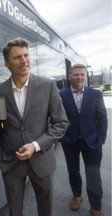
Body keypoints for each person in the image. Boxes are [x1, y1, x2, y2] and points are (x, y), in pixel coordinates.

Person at [0, 38, 69, 216]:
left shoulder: (47, 86)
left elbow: (61, 123)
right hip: (11, 162)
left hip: (42, 159)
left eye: (26, 55)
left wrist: (35, 145)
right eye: (17, 57)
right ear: (6, 63)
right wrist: (0, 155)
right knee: (14, 209)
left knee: (45, 208)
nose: (24, 60)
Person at [59, 64, 108, 216]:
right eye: (76, 74)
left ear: (85, 76)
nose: (79, 77)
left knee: (93, 174)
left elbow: (102, 117)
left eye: (82, 74)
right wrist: (62, 137)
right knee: (73, 171)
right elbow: (57, 118)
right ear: (70, 76)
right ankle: (77, 196)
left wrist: (101, 138)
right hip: (70, 142)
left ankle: (95, 206)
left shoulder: (95, 94)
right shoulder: (62, 95)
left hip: (92, 141)